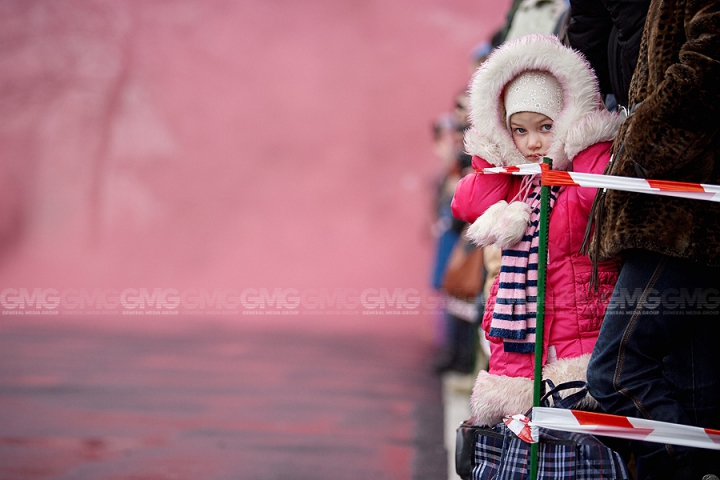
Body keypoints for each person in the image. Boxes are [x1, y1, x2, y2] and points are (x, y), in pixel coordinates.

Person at [451, 34, 623, 426]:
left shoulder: (579, 168)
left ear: (565, 119)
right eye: (519, 130)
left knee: (573, 447)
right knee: (524, 448)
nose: (531, 143)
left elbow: (599, 195)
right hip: (520, 342)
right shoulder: (516, 180)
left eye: (545, 126)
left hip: (576, 335)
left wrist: (584, 141)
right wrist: (491, 152)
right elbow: (467, 202)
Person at [584, 0, 720, 478]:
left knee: (615, 374)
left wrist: (641, 144)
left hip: (678, 214)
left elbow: (710, 59)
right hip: (679, 211)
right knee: (693, 390)